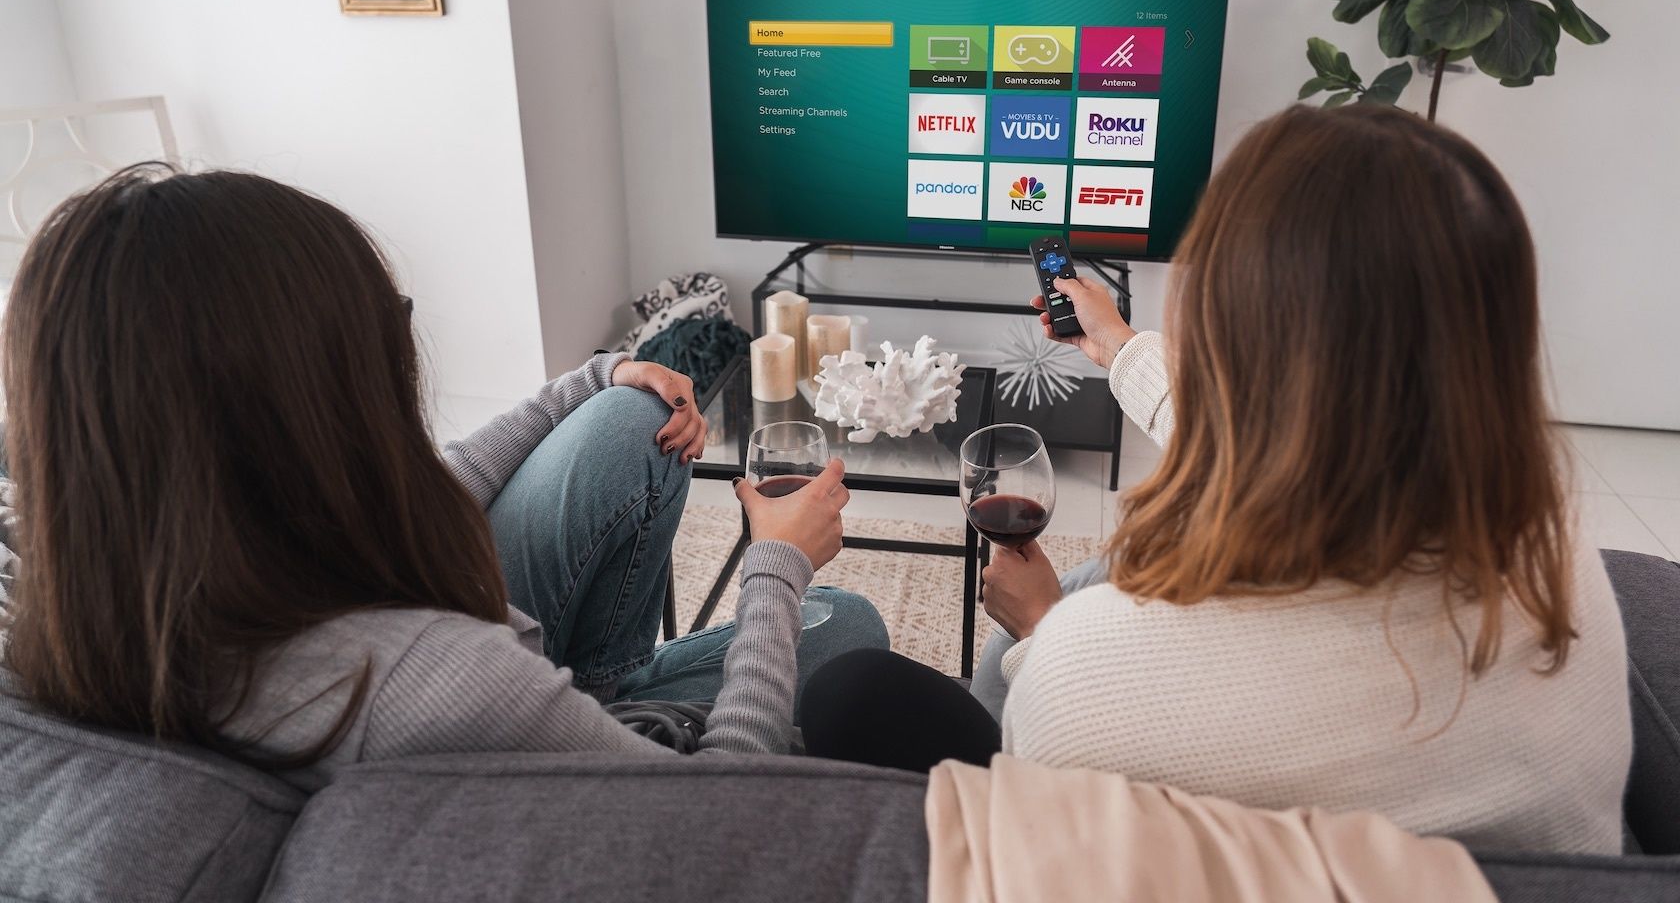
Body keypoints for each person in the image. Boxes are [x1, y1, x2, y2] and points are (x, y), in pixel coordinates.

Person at [802, 103, 1631, 855]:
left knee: (854, 692)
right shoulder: (1563, 574)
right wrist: (1120, 346)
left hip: (1069, 781)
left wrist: (1044, 628)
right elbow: (1293, 427)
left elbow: (1051, 832)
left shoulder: (1089, 672)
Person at [0, 165, 887, 789]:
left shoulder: (108, 578)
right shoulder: (434, 681)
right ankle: (612, 706)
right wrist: (775, 566)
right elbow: (721, 813)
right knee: (846, 627)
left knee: (627, 417)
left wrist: (595, 377)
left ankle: (611, 680)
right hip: (562, 736)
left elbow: (440, 485)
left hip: (466, 664)